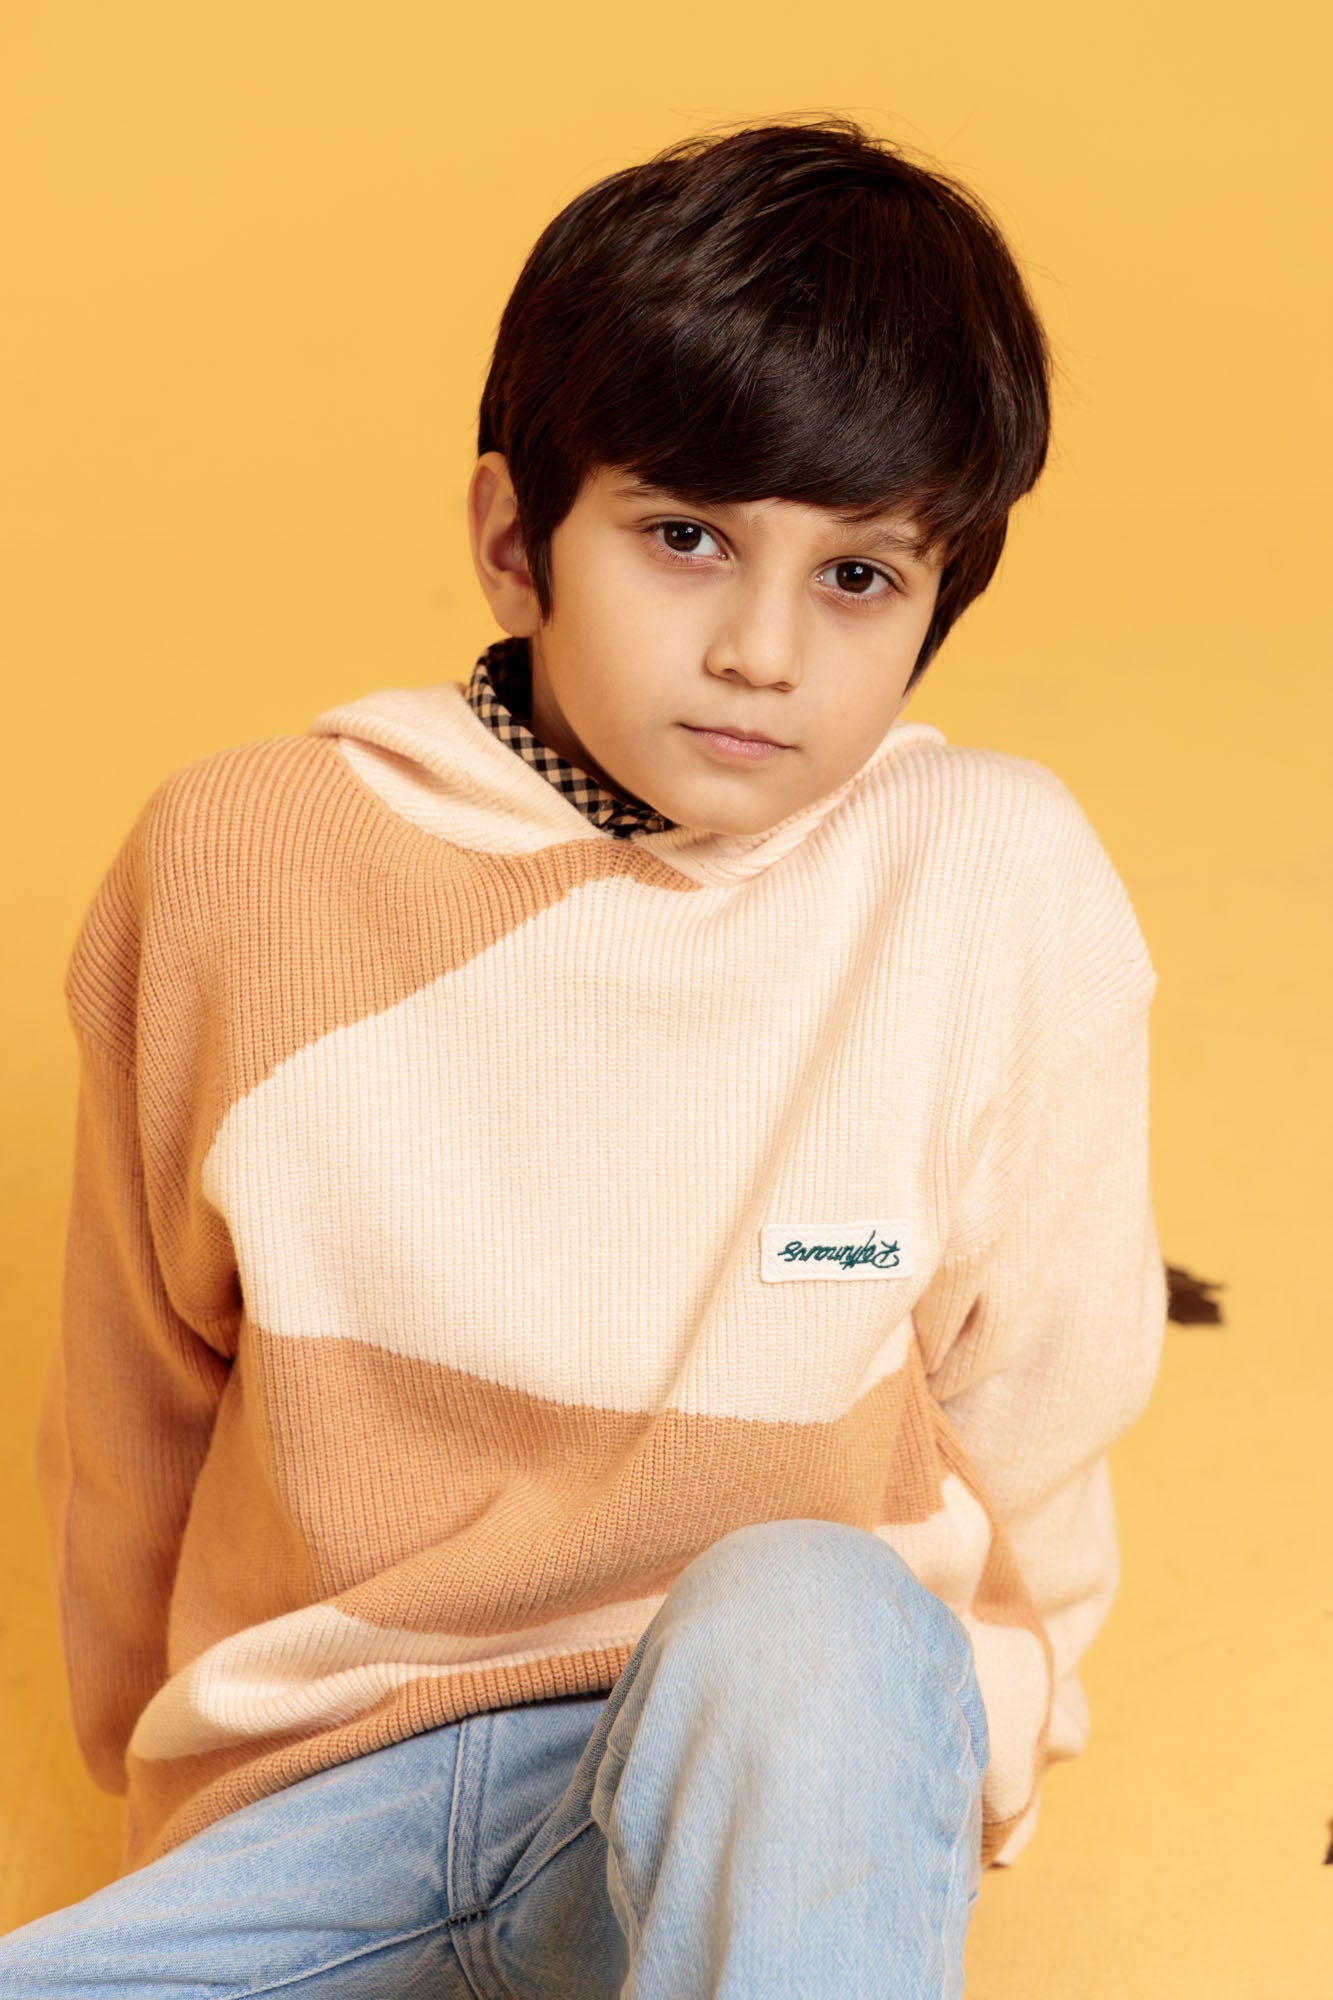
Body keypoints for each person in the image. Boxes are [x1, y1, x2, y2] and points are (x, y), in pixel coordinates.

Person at [4, 116, 1166, 1997]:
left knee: (806, 1603)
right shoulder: (236, 864)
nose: (763, 651)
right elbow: (128, 1417)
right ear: (511, 540)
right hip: (317, 1829)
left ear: (938, 599)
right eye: (684, 537)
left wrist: (951, 1753)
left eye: (858, 577)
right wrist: (182, 1847)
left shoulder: (986, 882)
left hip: (760, 1778)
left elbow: (1044, 1400)